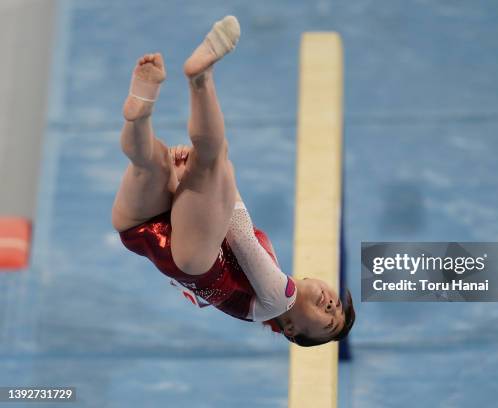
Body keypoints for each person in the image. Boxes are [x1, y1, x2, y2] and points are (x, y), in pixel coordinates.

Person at [111, 16, 355, 347]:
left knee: (214, 157)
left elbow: (239, 234)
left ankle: (201, 76)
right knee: (149, 163)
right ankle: (140, 110)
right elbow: (197, 297)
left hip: (197, 259)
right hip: (146, 236)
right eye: (337, 305)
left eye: (328, 322)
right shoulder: (252, 304)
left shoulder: (278, 299)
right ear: (314, 277)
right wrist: (190, 185)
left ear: (292, 330)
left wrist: (221, 176)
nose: (331, 306)